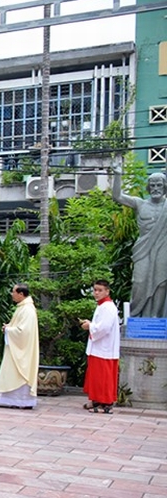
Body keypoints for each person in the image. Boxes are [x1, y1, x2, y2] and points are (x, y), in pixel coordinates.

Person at [111, 170, 167, 318]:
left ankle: (156, 316)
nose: (156, 188)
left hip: (163, 246)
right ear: (148, 188)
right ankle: (135, 315)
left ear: (164, 186)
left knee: (161, 282)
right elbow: (117, 196)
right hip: (143, 248)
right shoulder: (139, 203)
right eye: (152, 185)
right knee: (139, 281)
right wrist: (117, 174)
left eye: (159, 185)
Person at [0, 284, 39, 409]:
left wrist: (9, 329)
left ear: (21, 294)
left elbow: (24, 331)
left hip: (22, 349)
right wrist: (9, 327)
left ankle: (21, 400)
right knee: (10, 371)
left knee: (17, 372)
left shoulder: (28, 309)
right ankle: (3, 397)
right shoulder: (23, 307)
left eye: (13, 292)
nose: (11, 294)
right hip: (16, 346)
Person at [81, 280, 121, 414]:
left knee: (103, 376)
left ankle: (106, 402)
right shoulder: (102, 306)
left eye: (100, 290)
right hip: (100, 347)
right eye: (95, 290)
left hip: (104, 348)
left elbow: (104, 328)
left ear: (107, 291)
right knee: (97, 376)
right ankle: (96, 400)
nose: (96, 293)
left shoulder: (108, 307)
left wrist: (90, 326)